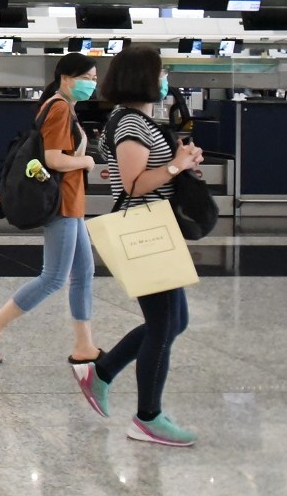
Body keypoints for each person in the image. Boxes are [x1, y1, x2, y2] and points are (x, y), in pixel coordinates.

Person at [73, 45, 204, 447]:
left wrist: (179, 161)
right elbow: (133, 184)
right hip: (144, 232)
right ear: (144, 77)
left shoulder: (136, 120)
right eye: (161, 71)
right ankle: (148, 417)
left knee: (175, 321)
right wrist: (177, 165)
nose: (165, 78)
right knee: (164, 325)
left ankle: (101, 373)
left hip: (155, 228)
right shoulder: (130, 122)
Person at [0, 53, 103, 366]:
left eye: (94, 79)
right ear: (66, 78)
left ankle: (84, 344)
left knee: (83, 273)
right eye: (86, 78)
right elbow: (53, 159)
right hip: (62, 203)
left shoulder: (65, 107)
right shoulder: (59, 107)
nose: (92, 84)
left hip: (72, 203)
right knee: (53, 278)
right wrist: (85, 160)